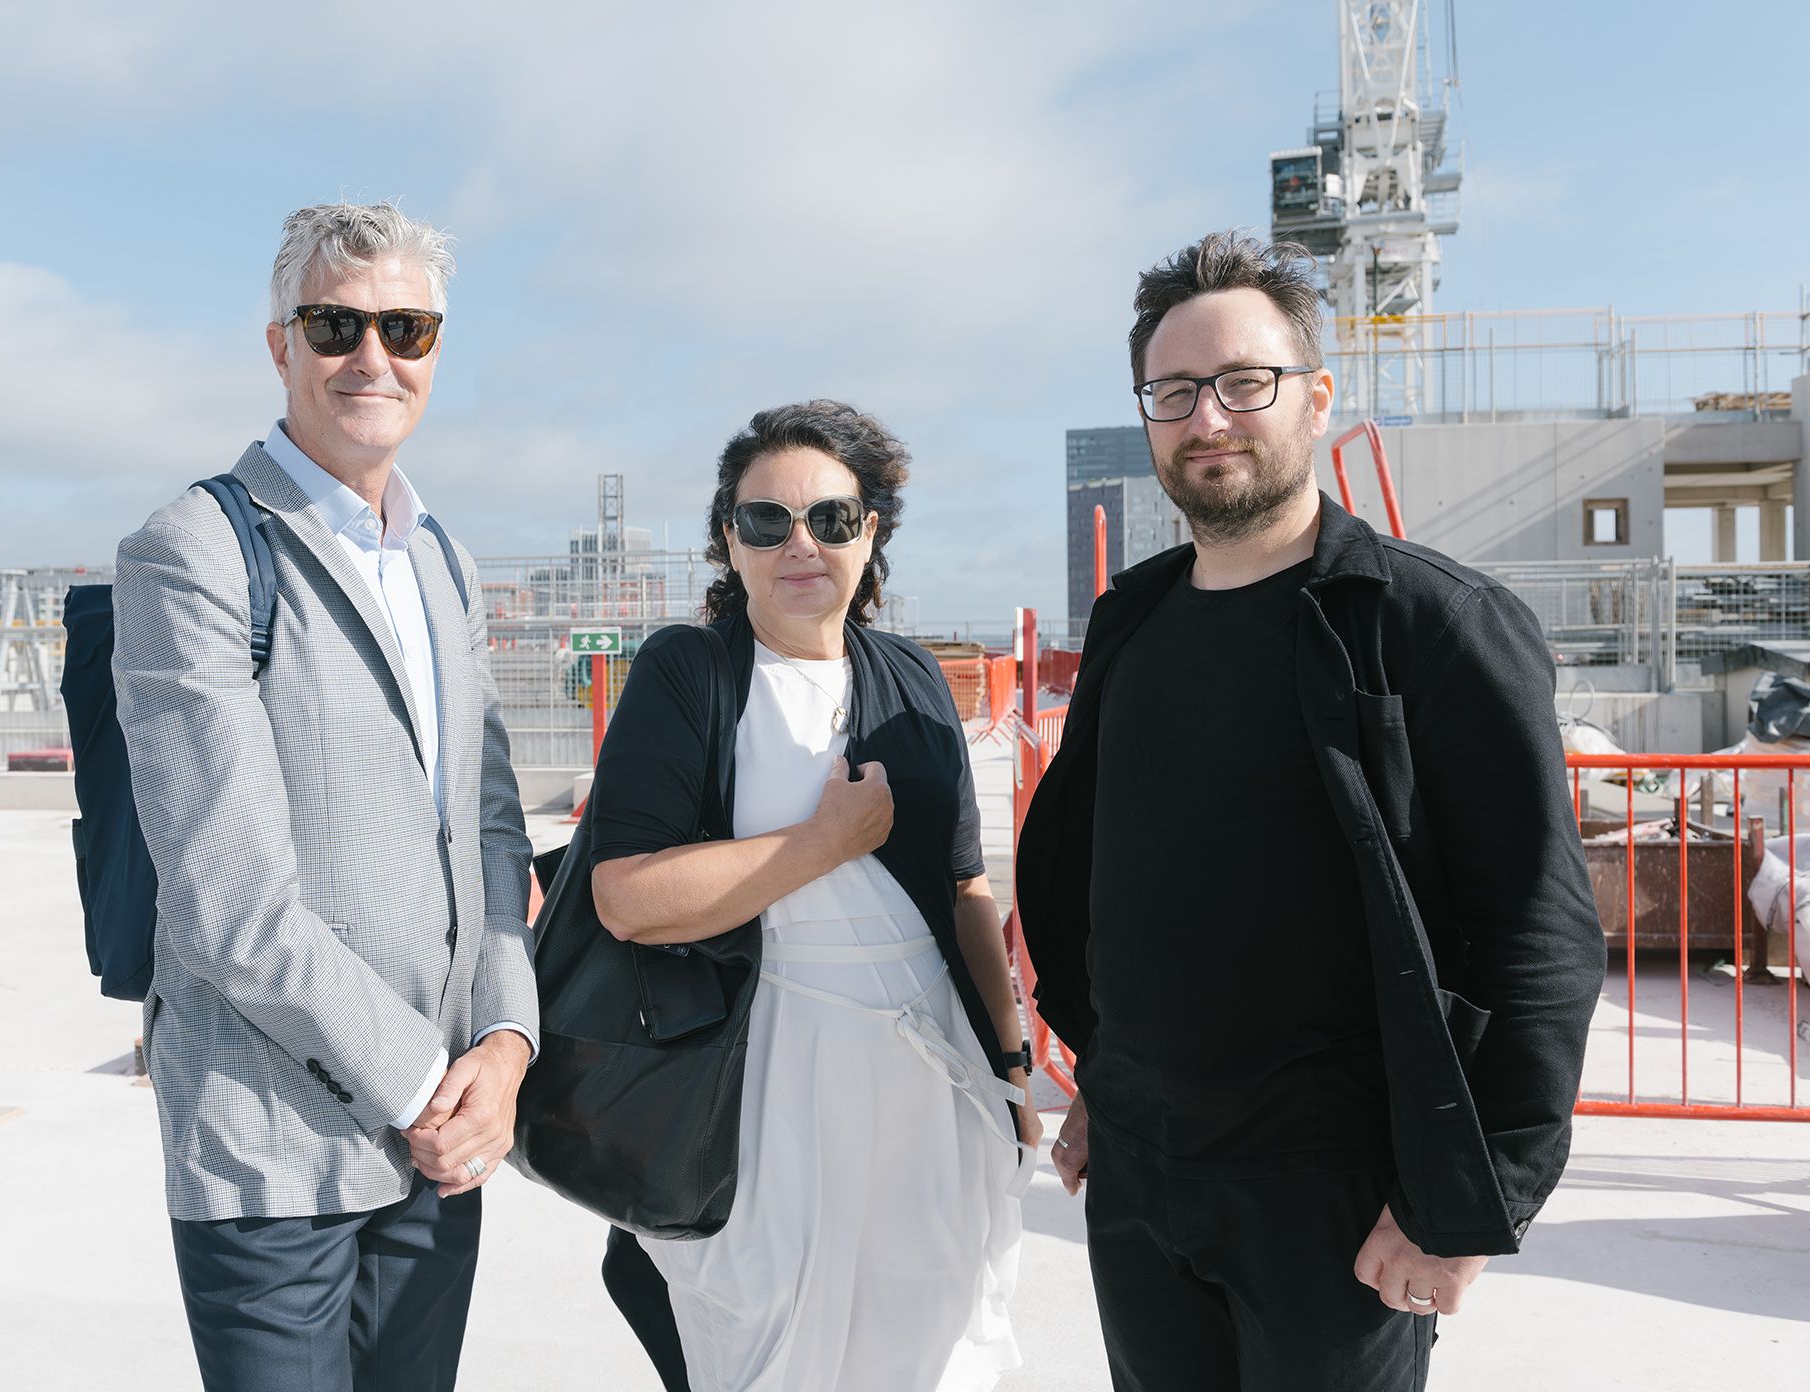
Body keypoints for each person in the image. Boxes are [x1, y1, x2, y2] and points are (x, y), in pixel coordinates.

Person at [1017, 231, 1606, 1392]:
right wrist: (1103, 1078)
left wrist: (1463, 1201)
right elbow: (1113, 874)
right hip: (1140, 1176)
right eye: (1173, 392)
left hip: (1335, 1191)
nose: (1207, 419)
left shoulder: (1429, 627)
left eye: (1244, 383)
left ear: (1316, 399)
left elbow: (1538, 938)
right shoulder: (1130, 622)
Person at [113, 201, 537, 1391]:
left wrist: (501, 1050)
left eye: (406, 328)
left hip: (439, 1146)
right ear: (279, 344)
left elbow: (489, 825)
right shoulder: (191, 549)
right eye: (334, 323)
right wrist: (422, 1086)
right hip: (274, 1151)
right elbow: (229, 906)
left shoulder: (440, 557)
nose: (372, 356)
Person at [585, 400, 1040, 1391]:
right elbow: (624, 898)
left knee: (930, 1346)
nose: (801, 543)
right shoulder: (690, 674)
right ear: (726, 539)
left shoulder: (913, 676)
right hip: (762, 1086)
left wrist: (1008, 1067)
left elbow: (964, 890)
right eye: (766, 521)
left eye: (831, 519)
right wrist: (821, 843)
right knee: (766, 1346)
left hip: (927, 1089)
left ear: (869, 533)